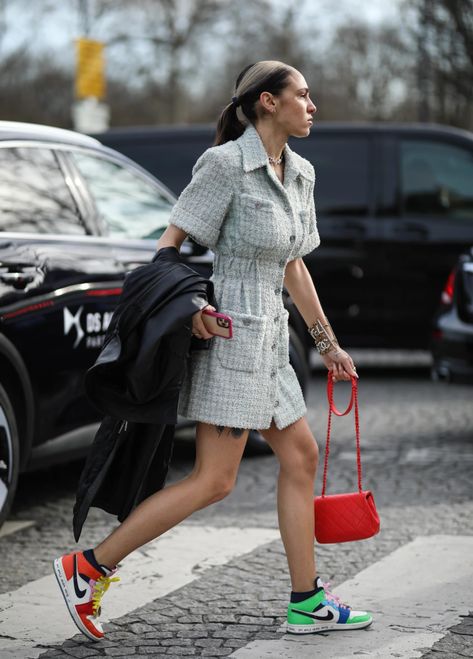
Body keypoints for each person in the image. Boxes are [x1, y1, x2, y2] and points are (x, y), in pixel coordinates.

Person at [53, 60, 373, 641]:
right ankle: (89, 567)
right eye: (303, 95)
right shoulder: (225, 165)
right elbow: (168, 248)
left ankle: (306, 600)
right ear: (268, 102)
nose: (312, 104)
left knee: (299, 458)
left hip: (274, 341)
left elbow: (293, 265)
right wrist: (194, 312)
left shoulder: (300, 172)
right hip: (229, 340)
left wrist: (328, 344)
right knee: (214, 480)